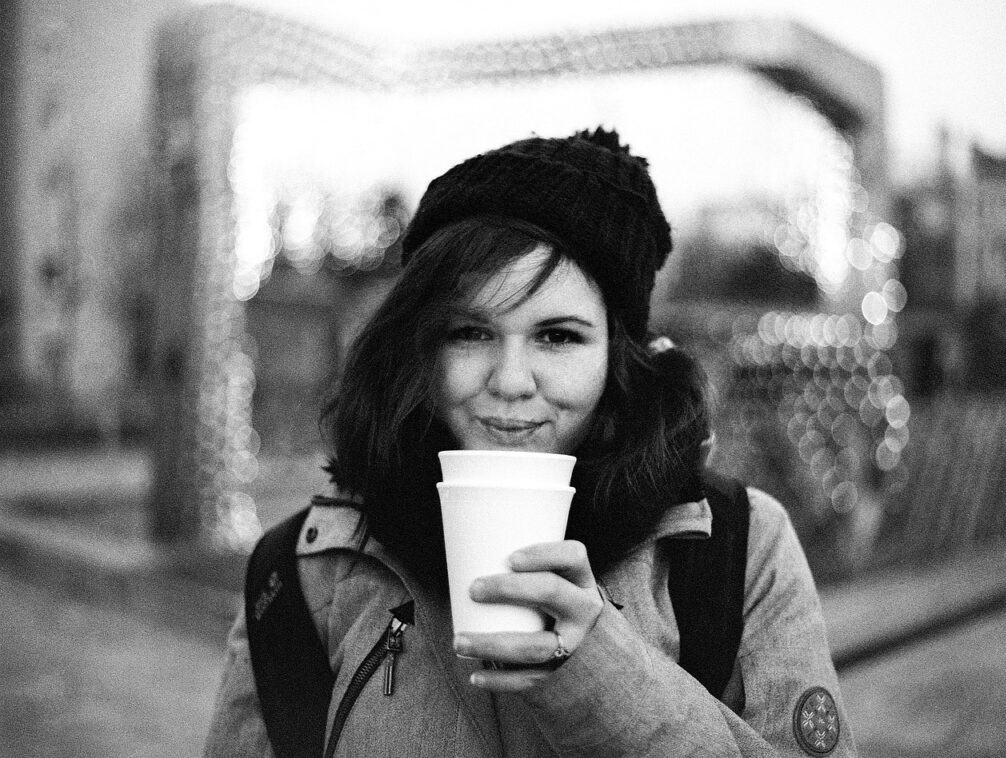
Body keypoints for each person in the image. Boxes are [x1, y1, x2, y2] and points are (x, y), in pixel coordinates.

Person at [204, 128, 856, 757]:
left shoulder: (737, 551)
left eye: (558, 336)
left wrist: (608, 679)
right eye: (469, 333)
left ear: (618, 355)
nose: (511, 381)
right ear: (419, 347)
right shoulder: (303, 572)